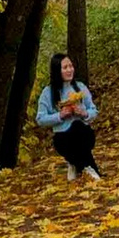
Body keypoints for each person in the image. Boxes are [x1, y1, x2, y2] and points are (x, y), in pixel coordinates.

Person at [35, 50, 100, 179]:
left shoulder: (80, 87)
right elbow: (40, 119)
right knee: (73, 135)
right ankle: (89, 170)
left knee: (78, 127)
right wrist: (60, 116)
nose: (69, 70)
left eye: (70, 66)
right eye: (65, 67)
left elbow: (94, 110)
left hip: (83, 133)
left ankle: (77, 165)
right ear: (57, 71)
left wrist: (84, 113)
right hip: (63, 137)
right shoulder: (48, 93)